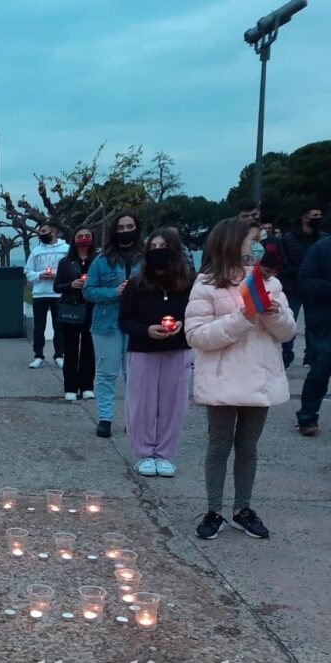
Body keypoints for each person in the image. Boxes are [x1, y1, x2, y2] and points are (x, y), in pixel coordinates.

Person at [185, 218, 295, 540]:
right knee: (219, 446)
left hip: (259, 379)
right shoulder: (206, 284)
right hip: (222, 380)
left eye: (259, 241)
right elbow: (197, 335)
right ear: (232, 243)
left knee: (248, 446)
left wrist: (273, 313)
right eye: (252, 240)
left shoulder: (270, 282)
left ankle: (242, 508)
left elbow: (287, 332)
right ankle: (214, 509)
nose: (258, 246)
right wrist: (241, 318)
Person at [119, 228, 193, 477]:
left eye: (163, 247)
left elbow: (196, 314)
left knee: (174, 404)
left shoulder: (187, 285)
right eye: (153, 247)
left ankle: (164, 454)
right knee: (141, 404)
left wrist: (182, 324)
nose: (158, 252)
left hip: (177, 350)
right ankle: (143, 453)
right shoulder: (136, 285)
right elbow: (125, 321)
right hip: (143, 350)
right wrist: (145, 330)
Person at [84, 212, 143, 438]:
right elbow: (89, 291)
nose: (126, 230)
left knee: (134, 374)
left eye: (130, 226)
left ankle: (133, 419)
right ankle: (105, 418)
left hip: (137, 322)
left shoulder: (145, 258)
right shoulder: (101, 261)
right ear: (114, 231)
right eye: (121, 227)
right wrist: (113, 292)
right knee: (106, 373)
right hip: (106, 323)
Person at [277, 205, 325, 367]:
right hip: (293, 288)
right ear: (305, 217)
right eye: (315, 215)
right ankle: (286, 354)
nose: (318, 217)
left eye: (320, 215)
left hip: (315, 290)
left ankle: (312, 355)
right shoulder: (288, 239)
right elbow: (282, 264)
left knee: (315, 324)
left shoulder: (323, 239)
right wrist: (302, 273)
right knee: (289, 321)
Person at [53, 227, 96, 400]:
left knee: (89, 348)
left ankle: (87, 385)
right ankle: (70, 386)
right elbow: (57, 286)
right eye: (80, 236)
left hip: (92, 309)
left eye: (87, 236)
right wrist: (71, 285)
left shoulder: (98, 261)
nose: (84, 239)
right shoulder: (65, 262)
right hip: (71, 309)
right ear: (74, 239)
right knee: (70, 349)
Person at [295, 233, 331, 437]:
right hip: (324, 322)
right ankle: (307, 416)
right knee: (320, 370)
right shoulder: (321, 248)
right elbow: (304, 281)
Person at [24, 221, 68, 369]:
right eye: (40, 232)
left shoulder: (66, 249)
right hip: (40, 294)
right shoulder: (36, 251)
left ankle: (59, 355)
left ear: (54, 232)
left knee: (59, 326)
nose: (41, 234)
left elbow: (70, 270)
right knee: (39, 327)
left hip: (58, 294)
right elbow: (28, 271)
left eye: (44, 231)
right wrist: (40, 276)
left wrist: (57, 276)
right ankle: (38, 356)